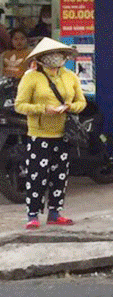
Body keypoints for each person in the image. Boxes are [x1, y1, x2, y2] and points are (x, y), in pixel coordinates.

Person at [14, 38, 85, 229]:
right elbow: (20, 105)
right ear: (42, 58)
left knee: (60, 175)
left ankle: (55, 212)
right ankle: (33, 215)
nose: (55, 58)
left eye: (58, 55)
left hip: (64, 134)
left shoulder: (70, 76)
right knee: (37, 176)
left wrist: (69, 106)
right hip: (39, 134)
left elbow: (82, 102)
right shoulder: (31, 77)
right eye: (50, 55)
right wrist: (43, 109)